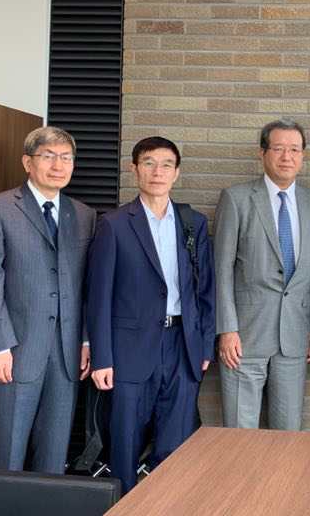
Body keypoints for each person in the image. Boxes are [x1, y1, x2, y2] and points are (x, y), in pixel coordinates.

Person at [86, 136, 215, 491]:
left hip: (182, 346)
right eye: (149, 163)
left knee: (176, 444)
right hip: (128, 349)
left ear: (176, 173)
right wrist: (102, 358)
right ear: (134, 169)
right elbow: (98, 296)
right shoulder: (113, 224)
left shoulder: (193, 223)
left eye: (166, 165)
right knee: (124, 444)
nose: (158, 172)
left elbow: (205, 290)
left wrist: (205, 345)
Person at [0, 126, 96, 473]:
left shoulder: (83, 215)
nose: (59, 165)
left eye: (66, 158)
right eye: (48, 156)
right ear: (28, 162)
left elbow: (88, 286)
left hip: (67, 354)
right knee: (8, 455)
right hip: (14, 352)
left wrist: (85, 339)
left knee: (53, 459)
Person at [214, 119, 310, 430]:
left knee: (288, 432)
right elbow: (221, 269)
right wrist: (227, 329)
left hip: (295, 336)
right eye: (278, 148)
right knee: (240, 431)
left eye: (294, 150)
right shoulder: (236, 199)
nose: (286, 157)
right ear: (262, 153)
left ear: (303, 155)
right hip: (244, 337)